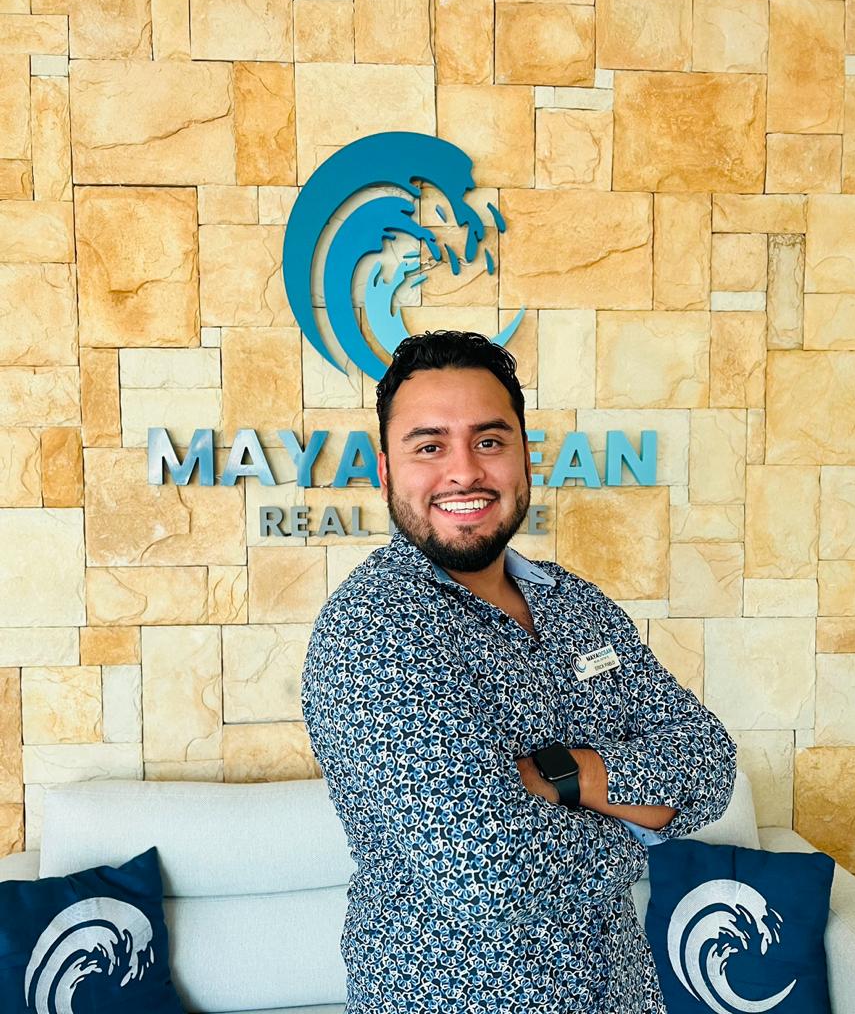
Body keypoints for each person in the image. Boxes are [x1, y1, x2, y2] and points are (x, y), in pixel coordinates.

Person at [301, 330, 737, 1013]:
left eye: (489, 440)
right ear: (385, 471)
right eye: (429, 446)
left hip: (621, 993)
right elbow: (490, 874)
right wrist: (645, 825)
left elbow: (710, 765)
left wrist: (567, 775)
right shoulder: (373, 628)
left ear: (523, 458)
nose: (464, 472)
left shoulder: (575, 603)